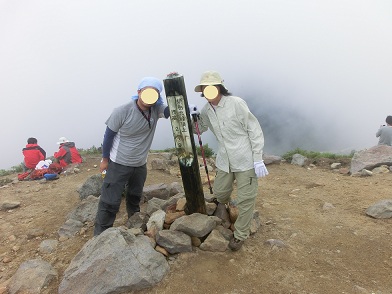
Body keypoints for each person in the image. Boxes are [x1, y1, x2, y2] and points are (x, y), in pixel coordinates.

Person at [191, 70, 268, 251]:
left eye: (211, 87)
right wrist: (192, 116)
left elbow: (254, 130)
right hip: (225, 160)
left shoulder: (236, 103)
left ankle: (240, 234)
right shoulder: (207, 109)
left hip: (245, 160)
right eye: (205, 89)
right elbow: (199, 129)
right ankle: (228, 206)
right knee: (220, 193)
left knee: (246, 199)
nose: (208, 92)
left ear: (219, 88)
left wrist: (258, 158)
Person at [94, 77, 170, 236]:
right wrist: (105, 160)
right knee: (110, 201)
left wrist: (173, 82)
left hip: (140, 164)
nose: (149, 98)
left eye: (154, 94)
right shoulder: (122, 111)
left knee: (135, 196)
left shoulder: (156, 109)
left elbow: (173, 111)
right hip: (118, 163)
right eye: (146, 92)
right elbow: (108, 136)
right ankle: (100, 235)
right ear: (139, 92)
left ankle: (134, 223)